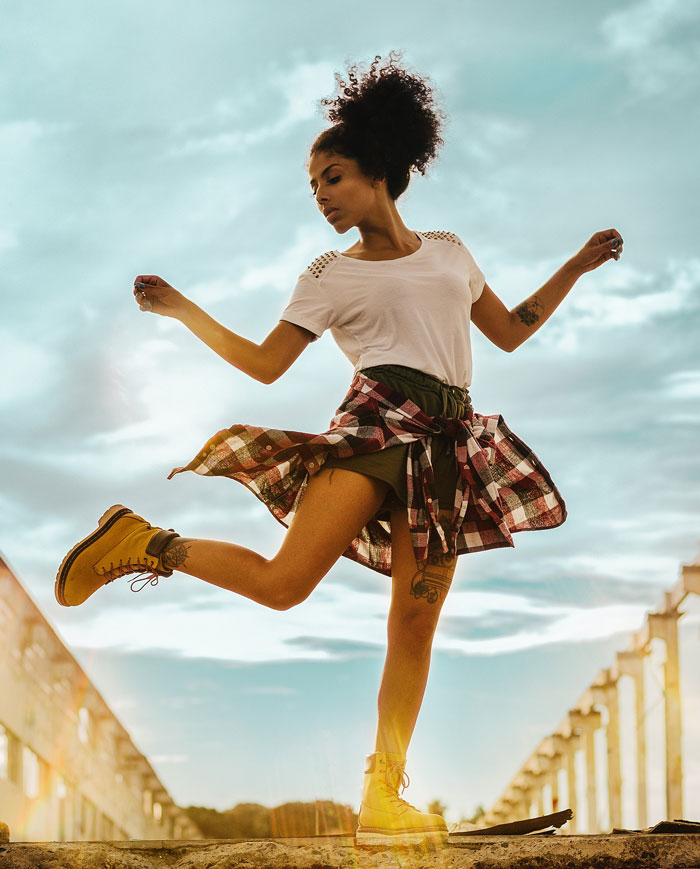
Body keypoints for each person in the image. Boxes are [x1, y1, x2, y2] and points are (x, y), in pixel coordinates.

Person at [55, 52, 623, 846]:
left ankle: (384, 795)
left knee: (414, 628)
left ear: (379, 171)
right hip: (375, 429)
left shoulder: (451, 252)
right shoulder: (328, 274)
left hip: (447, 449)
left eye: (334, 177)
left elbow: (509, 331)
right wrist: (184, 310)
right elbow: (264, 363)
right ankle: (146, 542)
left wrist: (576, 266)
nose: (321, 195)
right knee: (286, 585)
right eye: (314, 184)